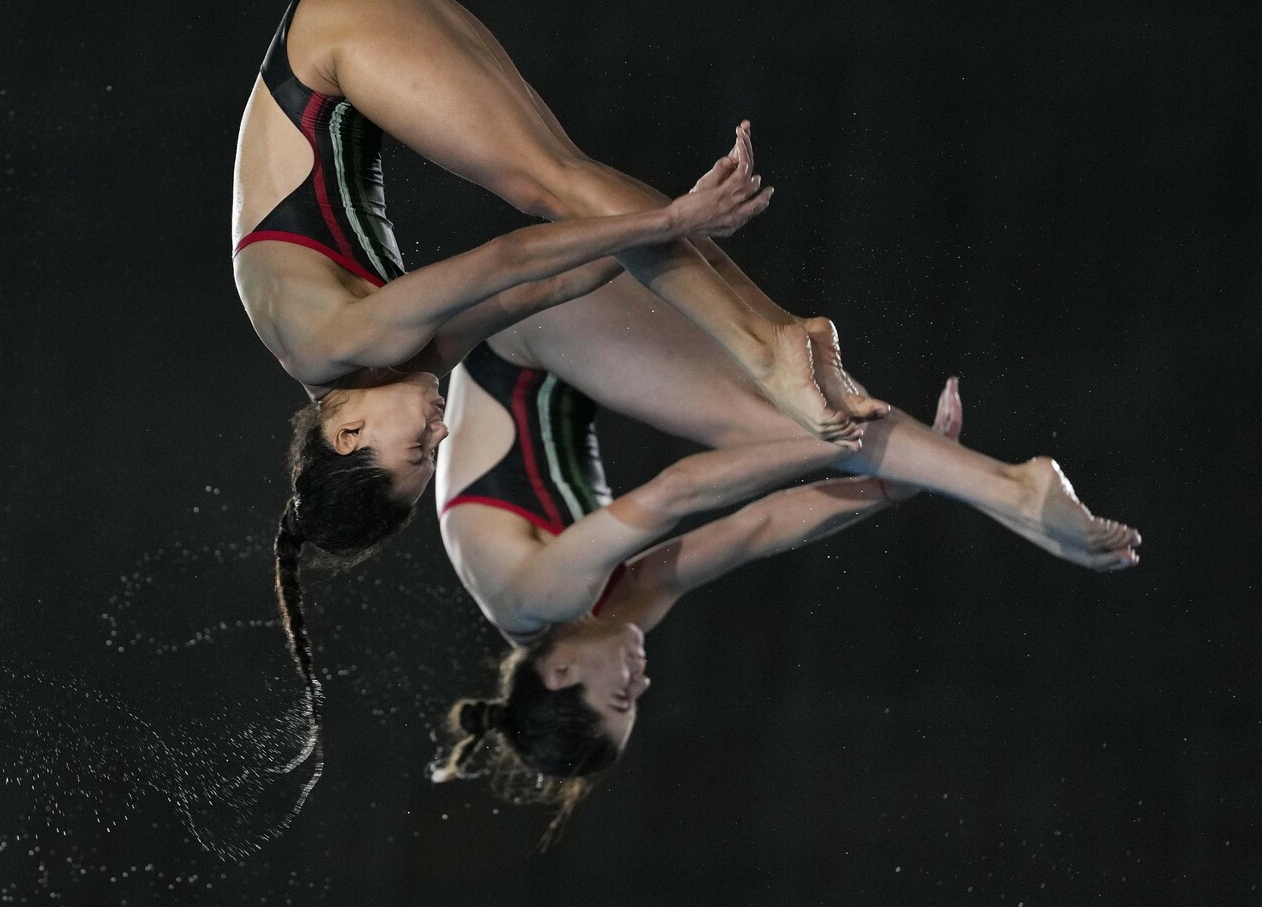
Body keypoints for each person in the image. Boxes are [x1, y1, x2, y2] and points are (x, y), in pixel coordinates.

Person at [235, 0, 890, 697]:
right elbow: (548, 284)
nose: (441, 434)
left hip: (328, 43)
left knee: (545, 183)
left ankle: (772, 345)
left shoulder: (338, 345)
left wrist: (669, 220)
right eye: (434, 453)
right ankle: (780, 336)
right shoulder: (395, 364)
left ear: (346, 434)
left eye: (417, 447)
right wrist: (653, 236)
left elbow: (507, 256)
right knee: (573, 189)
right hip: (354, 23)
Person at [428, 290, 1137, 832]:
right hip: (564, 347)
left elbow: (679, 490)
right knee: (803, 401)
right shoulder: (604, 621)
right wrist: (881, 490)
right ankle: (984, 482)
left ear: (558, 674)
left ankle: (1010, 489)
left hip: (522, 331)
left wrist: (828, 446)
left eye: (620, 695)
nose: (641, 682)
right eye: (636, 703)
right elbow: (755, 528)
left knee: (787, 421)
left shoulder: (532, 597)